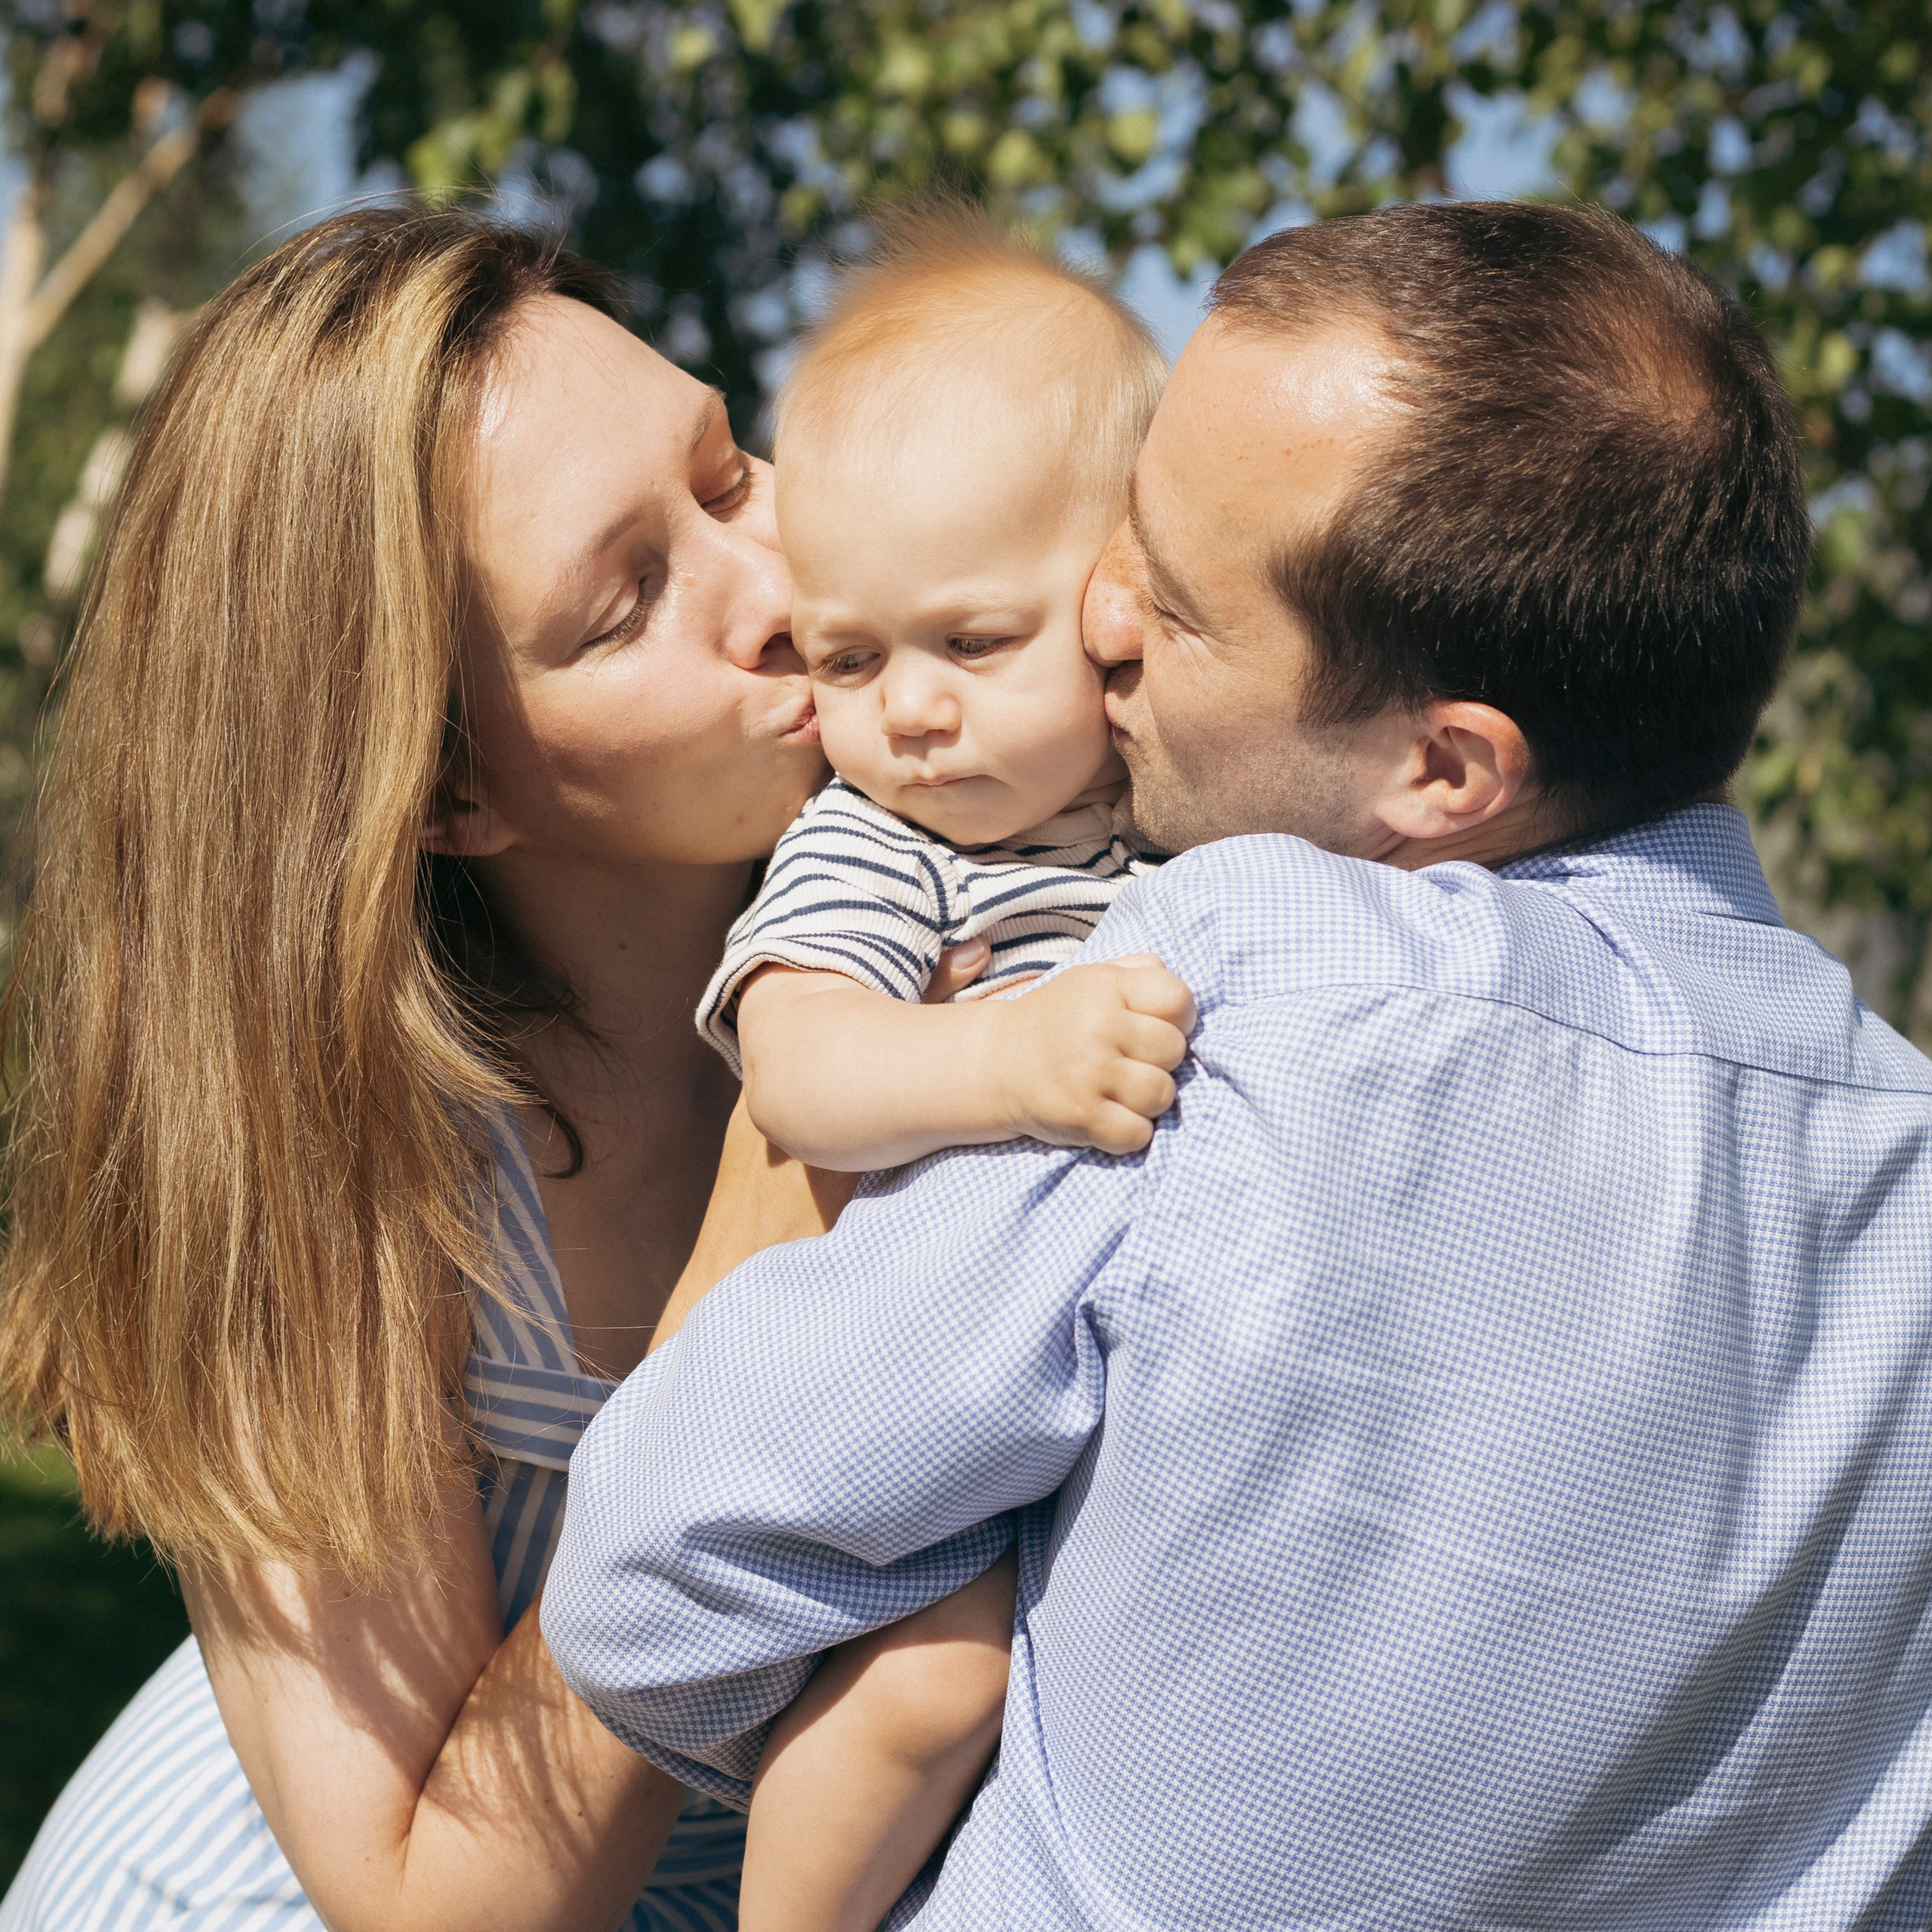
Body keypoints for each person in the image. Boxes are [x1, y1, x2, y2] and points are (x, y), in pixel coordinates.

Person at [546, 202, 1932, 1931]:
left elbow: (652, 1566)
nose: (1102, 627)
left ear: (1444, 767)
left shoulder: (1246, 985)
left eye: (1177, 607)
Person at [0, 204, 963, 1932]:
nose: (771, 591)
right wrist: (738, 1290)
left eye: (729, 470)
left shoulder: (949, 887)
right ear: (441, 789)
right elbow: (434, 1907)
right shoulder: (343, 1169)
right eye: (624, 598)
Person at [697, 205, 1195, 1927]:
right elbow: (800, 1066)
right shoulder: (886, 844)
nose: (905, 709)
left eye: (969, 643)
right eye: (848, 656)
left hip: (1110, 1393)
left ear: (1119, 605)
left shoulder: (1174, 821)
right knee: (928, 1689)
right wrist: (1006, 1053)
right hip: (927, 1383)